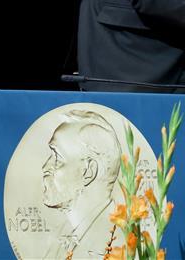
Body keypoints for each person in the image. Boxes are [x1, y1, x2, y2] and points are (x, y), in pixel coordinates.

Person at [41, 110, 120, 258]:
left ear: (88, 171)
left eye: (57, 157)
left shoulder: (119, 241)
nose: (45, 167)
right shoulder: (60, 237)